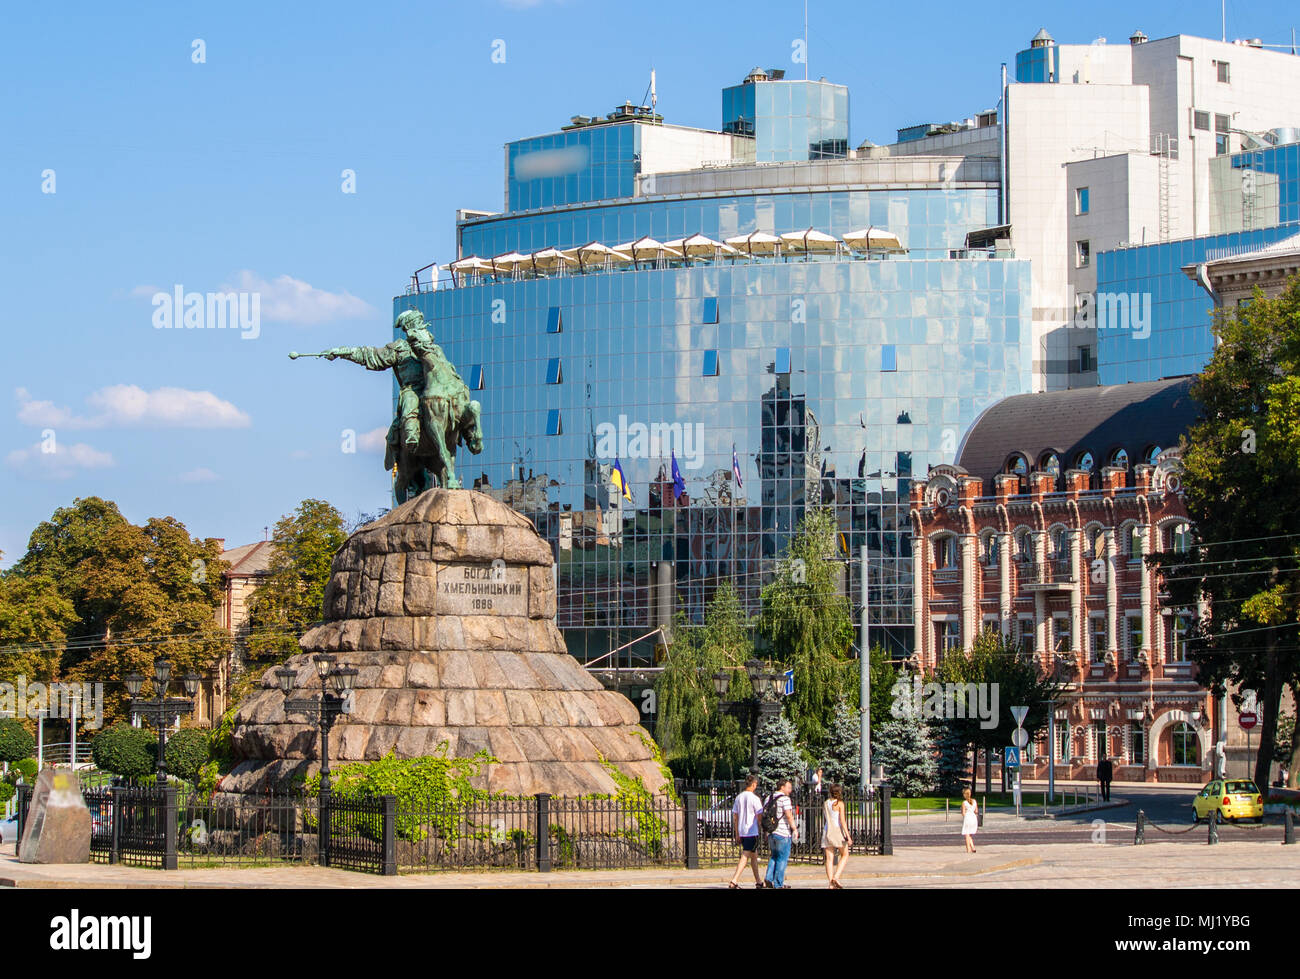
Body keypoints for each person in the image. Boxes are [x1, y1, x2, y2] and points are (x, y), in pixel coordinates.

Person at [728, 775, 764, 889]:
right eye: (756, 785)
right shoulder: (754, 798)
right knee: (745, 856)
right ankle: (734, 880)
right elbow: (759, 816)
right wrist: (762, 826)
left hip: (742, 830)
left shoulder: (739, 797)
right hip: (751, 831)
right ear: (753, 784)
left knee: (754, 856)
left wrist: (737, 833)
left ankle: (758, 881)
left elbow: (735, 816)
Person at [763, 778, 798, 888]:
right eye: (788, 787)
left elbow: (765, 815)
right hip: (783, 832)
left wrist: (766, 831)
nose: (790, 790)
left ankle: (768, 878)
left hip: (771, 832)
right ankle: (778, 883)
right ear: (782, 787)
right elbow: (788, 815)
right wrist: (794, 829)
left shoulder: (769, 798)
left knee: (774, 856)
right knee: (782, 858)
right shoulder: (785, 799)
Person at [821, 783, 852, 888]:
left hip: (827, 830)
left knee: (829, 858)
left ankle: (831, 883)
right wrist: (848, 836)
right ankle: (836, 877)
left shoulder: (826, 803)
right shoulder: (840, 804)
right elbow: (842, 821)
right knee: (845, 854)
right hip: (837, 831)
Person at [960, 788, 978, 853]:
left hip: (968, 818)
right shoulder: (974, 801)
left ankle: (968, 849)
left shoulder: (964, 803)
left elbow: (963, 813)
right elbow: (976, 811)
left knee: (967, 834)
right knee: (969, 834)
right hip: (973, 818)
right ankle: (973, 847)